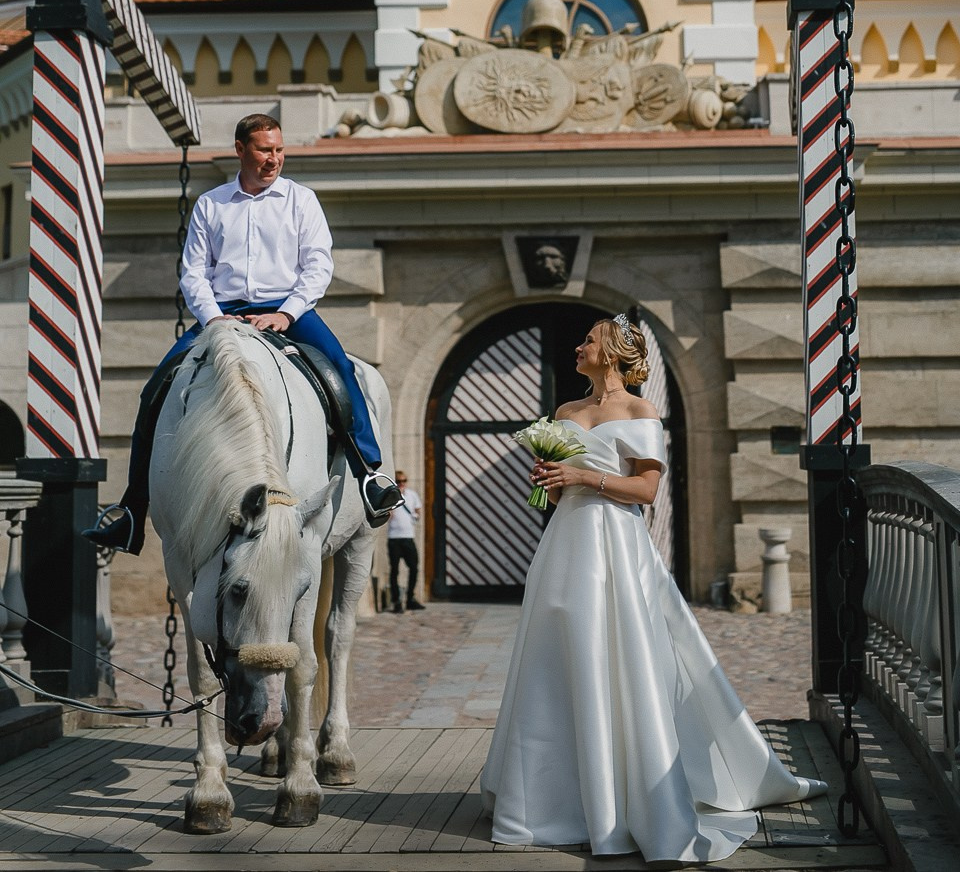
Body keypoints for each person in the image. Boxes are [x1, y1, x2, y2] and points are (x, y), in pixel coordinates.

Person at [481, 313, 825, 864]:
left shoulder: (640, 410)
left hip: (614, 548)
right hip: (564, 546)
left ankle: (631, 797)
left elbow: (644, 490)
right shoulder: (567, 412)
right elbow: (563, 482)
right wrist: (549, 481)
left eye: (588, 339)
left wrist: (582, 476)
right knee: (554, 660)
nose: (578, 345)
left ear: (613, 351)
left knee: (617, 656)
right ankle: (548, 797)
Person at [83, 113, 402, 554]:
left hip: (289, 310)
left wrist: (287, 315)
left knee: (341, 371)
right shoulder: (211, 205)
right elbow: (194, 273)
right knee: (156, 389)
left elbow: (318, 266)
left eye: (279, 150)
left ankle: (370, 475)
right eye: (264, 150)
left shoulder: (301, 200)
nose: (274, 159)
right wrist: (213, 318)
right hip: (223, 312)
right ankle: (134, 509)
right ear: (241, 150)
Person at [386, 470, 424, 613]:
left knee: (414, 568)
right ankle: (396, 601)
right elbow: (387, 515)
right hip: (394, 538)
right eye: (398, 481)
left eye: (404, 481)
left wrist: (416, 516)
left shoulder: (412, 495)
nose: (401, 484)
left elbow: (418, 509)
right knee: (394, 570)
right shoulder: (391, 495)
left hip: (408, 537)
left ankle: (410, 598)